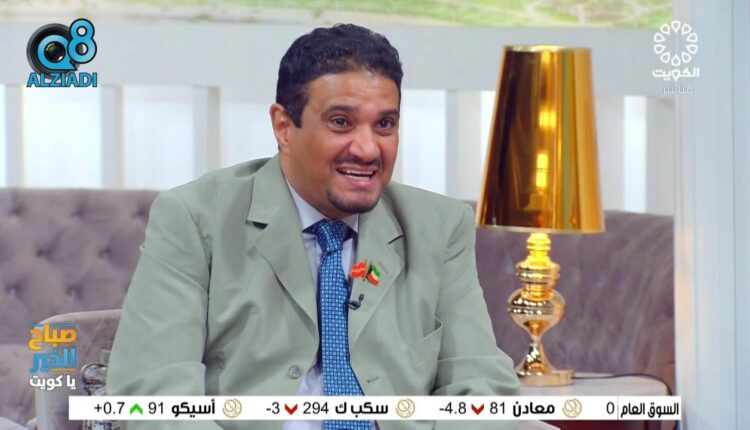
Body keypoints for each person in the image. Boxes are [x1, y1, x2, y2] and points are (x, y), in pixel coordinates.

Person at [107, 23, 519, 429]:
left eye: (384, 124)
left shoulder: (439, 227)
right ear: (284, 127)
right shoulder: (194, 219)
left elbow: (483, 388)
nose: (367, 149)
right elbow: (153, 396)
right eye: (341, 122)